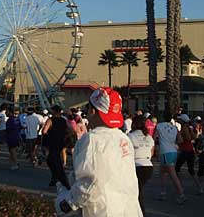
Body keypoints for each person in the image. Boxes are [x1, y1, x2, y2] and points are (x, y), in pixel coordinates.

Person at [55, 87, 143, 216]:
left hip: (104, 211)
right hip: (129, 209)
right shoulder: (123, 138)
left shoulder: (93, 139)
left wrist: (67, 202)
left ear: (92, 111)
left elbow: (91, 182)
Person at [154, 111, 187, 204]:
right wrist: (172, 142)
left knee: (172, 174)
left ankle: (181, 194)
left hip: (165, 151)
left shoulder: (159, 126)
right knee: (162, 171)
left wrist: (156, 148)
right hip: (173, 151)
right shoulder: (175, 127)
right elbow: (180, 140)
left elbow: (154, 137)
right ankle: (163, 192)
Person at [128, 114, 155, 215]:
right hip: (148, 166)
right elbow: (152, 152)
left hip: (136, 165)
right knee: (138, 191)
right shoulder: (148, 137)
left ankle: (140, 213)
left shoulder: (130, 136)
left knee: (137, 193)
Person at [43, 105, 70, 188]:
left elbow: (44, 131)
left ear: (54, 111)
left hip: (52, 142)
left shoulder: (50, 120)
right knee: (54, 159)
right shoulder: (63, 120)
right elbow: (69, 131)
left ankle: (61, 179)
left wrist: (46, 140)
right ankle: (55, 177)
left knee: (53, 160)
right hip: (60, 142)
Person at [176, 113, 203, 195]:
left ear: (183, 121)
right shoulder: (189, 127)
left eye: (180, 119)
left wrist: (180, 135)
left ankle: (180, 186)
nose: (178, 120)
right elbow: (195, 137)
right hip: (190, 150)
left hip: (185, 151)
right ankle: (199, 187)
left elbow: (187, 138)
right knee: (191, 171)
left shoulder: (184, 128)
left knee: (176, 169)